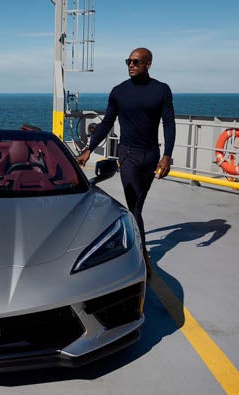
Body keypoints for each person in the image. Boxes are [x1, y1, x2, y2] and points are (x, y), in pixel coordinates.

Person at [75, 47, 176, 278]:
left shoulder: (161, 90)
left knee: (137, 206)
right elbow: (106, 122)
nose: (131, 65)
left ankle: (137, 246)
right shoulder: (119, 92)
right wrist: (89, 149)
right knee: (135, 208)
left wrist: (167, 155)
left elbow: (169, 124)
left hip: (151, 155)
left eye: (136, 62)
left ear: (148, 64)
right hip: (128, 155)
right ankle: (144, 256)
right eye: (128, 61)